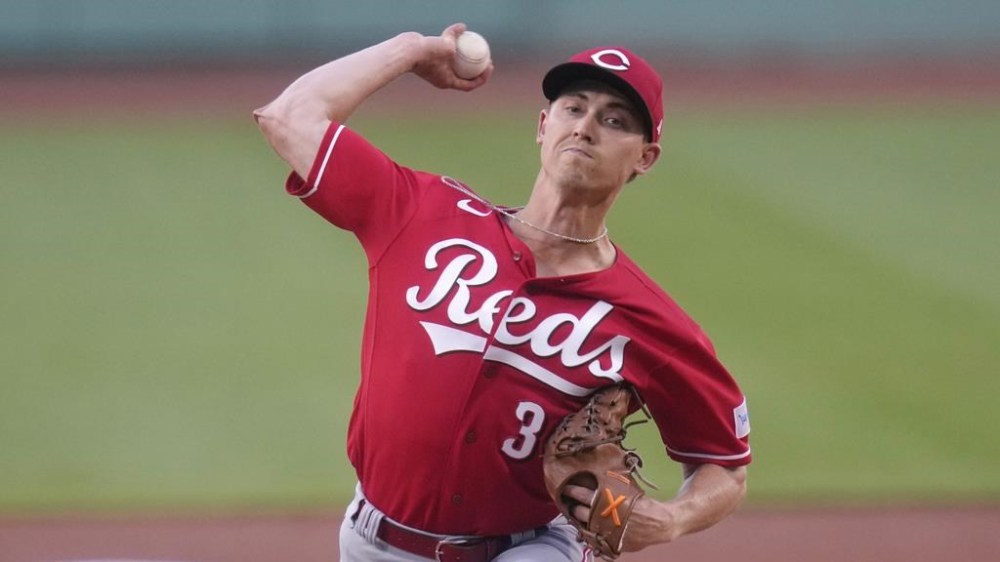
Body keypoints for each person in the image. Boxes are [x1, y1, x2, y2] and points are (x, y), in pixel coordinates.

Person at [254, 23, 751, 562]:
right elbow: (288, 116)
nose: (585, 128)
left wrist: (674, 518)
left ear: (645, 159)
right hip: (374, 542)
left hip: (529, 548)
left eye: (614, 120)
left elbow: (724, 464)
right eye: (573, 108)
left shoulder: (647, 319)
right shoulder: (423, 214)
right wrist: (411, 51)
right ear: (543, 126)